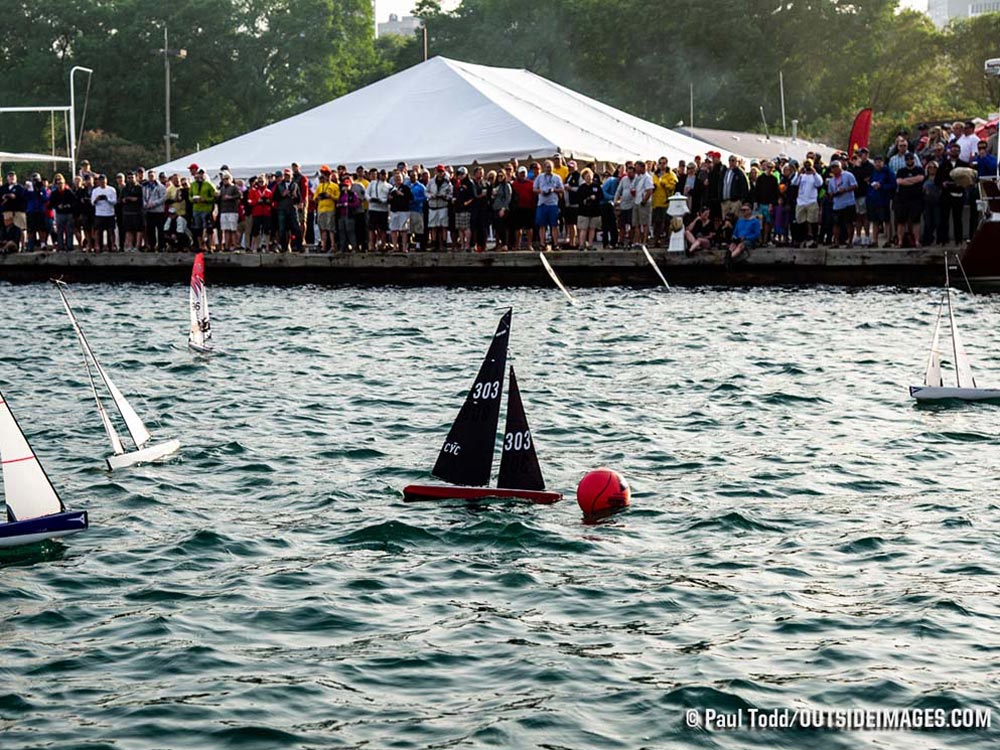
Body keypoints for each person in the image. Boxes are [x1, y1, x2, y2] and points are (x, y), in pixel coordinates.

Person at [894, 152, 924, 247]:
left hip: (916, 199)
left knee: (916, 221)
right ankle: (900, 241)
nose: (909, 161)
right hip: (903, 199)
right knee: (901, 221)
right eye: (907, 159)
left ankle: (917, 241)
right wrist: (913, 180)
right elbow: (899, 181)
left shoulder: (919, 169)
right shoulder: (901, 171)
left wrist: (906, 180)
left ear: (914, 159)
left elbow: (920, 178)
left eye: (911, 159)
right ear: (905, 160)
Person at [533, 159, 564, 249]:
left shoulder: (557, 177)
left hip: (553, 204)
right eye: (547, 167)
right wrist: (541, 191)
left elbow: (562, 189)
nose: (548, 169)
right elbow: (534, 189)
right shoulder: (539, 177)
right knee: (542, 225)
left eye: (550, 167)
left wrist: (553, 190)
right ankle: (542, 244)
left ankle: (555, 244)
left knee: (554, 225)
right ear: (544, 167)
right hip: (542, 204)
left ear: (553, 168)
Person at [790, 160, 823, 247]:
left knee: (812, 221)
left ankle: (813, 240)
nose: (807, 167)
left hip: (812, 201)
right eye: (806, 165)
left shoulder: (815, 176)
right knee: (800, 222)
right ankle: (802, 239)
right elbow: (794, 183)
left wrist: (814, 173)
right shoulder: (801, 176)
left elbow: (819, 183)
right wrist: (798, 173)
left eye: (809, 165)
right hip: (801, 201)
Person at [826, 161, 858, 248]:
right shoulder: (831, 180)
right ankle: (836, 242)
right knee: (836, 224)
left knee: (849, 223)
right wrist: (833, 194)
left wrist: (845, 189)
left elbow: (855, 185)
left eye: (836, 167)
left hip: (848, 203)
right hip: (837, 204)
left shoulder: (848, 175)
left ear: (840, 167)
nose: (834, 169)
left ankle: (850, 242)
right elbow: (830, 192)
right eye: (832, 167)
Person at [272, 168, 300, 252]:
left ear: (291, 176)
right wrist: (282, 195)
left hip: (292, 208)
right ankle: (284, 247)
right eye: (285, 175)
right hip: (282, 209)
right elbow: (274, 198)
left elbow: (299, 199)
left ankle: (298, 246)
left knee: (295, 228)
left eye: (288, 175)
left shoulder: (295, 185)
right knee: (282, 229)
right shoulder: (279, 185)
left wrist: (296, 197)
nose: (287, 177)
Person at [188, 168, 217, 251]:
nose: (199, 176)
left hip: (206, 209)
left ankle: (210, 245)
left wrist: (205, 199)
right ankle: (201, 245)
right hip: (196, 209)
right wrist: (193, 199)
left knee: (208, 228)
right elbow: (189, 196)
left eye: (201, 174)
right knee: (197, 228)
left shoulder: (209, 184)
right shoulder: (193, 184)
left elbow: (214, 197)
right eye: (198, 174)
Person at [426, 165, 452, 251]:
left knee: (443, 226)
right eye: (439, 171)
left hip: (443, 206)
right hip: (433, 206)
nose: (440, 173)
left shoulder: (447, 182)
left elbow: (450, 194)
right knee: (433, 226)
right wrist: (431, 196)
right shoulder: (431, 182)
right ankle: (434, 245)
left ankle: (443, 245)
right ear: (436, 172)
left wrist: (444, 196)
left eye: (442, 172)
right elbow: (426, 192)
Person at [313, 166, 340, 252]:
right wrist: (319, 197)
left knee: (331, 229)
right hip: (321, 209)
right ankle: (323, 246)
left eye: (326, 175)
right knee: (323, 229)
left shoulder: (335, 186)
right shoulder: (320, 186)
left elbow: (338, 197)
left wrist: (330, 196)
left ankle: (332, 246)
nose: (325, 176)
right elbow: (314, 198)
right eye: (324, 175)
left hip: (330, 209)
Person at [726, 203, 761, 267]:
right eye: (742, 210)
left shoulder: (755, 221)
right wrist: (734, 237)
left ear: (750, 210)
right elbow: (735, 232)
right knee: (733, 244)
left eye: (745, 210)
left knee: (741, 245)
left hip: (749, 241)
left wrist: (746, 237)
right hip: (738, 239)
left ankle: (730, 258)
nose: (743, 212)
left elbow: (756, 234)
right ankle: (729, 256)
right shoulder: (740, 220)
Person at [49, 174, 78, 251]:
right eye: (58, 184)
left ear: (64, 183)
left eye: (61, 183)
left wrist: (68, 205)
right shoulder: (54, 193)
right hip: (59, 214)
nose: (60, 185)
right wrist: (57, 206)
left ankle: (69, 246)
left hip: (68, 213)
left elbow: (75, 202)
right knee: (60, 231)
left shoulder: (69, 192)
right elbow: (51, 203)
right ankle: (60, 246)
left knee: (69, 231)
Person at [576, 168, 602, 249]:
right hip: (583, 211)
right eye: (586, 176)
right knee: (583, 228)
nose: (588, 177)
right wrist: (586, 200)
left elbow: (601, 196)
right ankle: (581, 244)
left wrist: (595, 197)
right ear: (584, 177)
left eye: (590, 176)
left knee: (592, 228)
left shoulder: (596, 186)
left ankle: (590, 244)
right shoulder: (581, 187)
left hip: (594, 211)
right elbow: (578, 199)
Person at [365, 169, 391, 251]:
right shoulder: (372, 183)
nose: (383, 176)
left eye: (385, 174)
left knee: (383, 229)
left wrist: (383, 200)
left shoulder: (389, 186)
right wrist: (370, 199)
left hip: (383, 209)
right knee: (372, 228)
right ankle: (372, 245)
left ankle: (382, 245)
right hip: (373, 209)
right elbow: (366, 193)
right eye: (382, 174)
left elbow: (390, 198)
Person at [91, 174, 117, 251]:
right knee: (98, 231)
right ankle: (98, 246)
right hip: (99, 214)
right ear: (98, 182)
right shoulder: (95, 190)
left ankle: (112, 246)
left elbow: (114, 201)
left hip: (110, 213)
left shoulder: (111, 189)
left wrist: (107, 199)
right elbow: (92, 203)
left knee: (111, 231)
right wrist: (97, 199)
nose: (102, 182)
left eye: (104, 181)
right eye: (101, 181)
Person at [387, 171, 412, 253]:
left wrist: (401, 194)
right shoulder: (391, 189)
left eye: (399, 178)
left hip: (404, 211)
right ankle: (395, 247)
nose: (398, 179)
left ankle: (404, 247)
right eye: (396, 178)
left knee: (403, 230)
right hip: (394, 211)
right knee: (394, 229)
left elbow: (411, 198)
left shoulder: (406, 188)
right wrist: (389, 198)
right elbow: (388, 200)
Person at [247, 176, 273, 252]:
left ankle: (267, 247)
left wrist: (268, 202)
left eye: (262, 181)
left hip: (266, 213)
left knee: (267, 230)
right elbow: (249, 202)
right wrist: (257, 201)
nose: (261, 183)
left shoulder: (269, 192)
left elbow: (273, 202)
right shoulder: (253, 191)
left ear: (265, 182)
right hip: (257, 213)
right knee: (255, 230)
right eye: (259, 182)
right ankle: (253, 247)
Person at [216, 171, 242, 251]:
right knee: (226, 229)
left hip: (232, 211)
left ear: (230, 179)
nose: (225, 181)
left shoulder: (234, 187)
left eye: (227, 179)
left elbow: (240, 195)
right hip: (224, 211)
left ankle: (234, 245)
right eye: (224, 179)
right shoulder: (222, 188)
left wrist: (230, 197)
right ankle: (226, 246)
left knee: (233, 229)